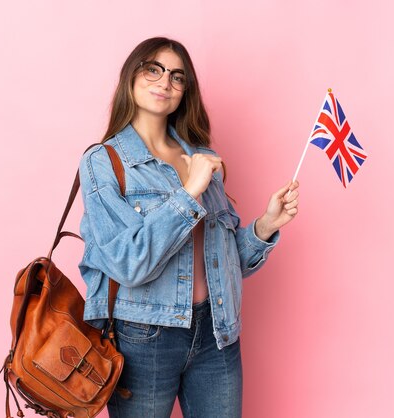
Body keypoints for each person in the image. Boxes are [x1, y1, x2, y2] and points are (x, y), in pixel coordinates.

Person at [78, 37, 299, 418]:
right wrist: (189, 191)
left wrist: (264, 226)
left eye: (177, 77)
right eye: (154, 69)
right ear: (132, 76)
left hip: (217, 332)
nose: (164, 82)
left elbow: (226, 266)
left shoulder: (202, 158)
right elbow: (129, 264)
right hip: (143, 337)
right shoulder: (103, 162)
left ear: (184, 92)